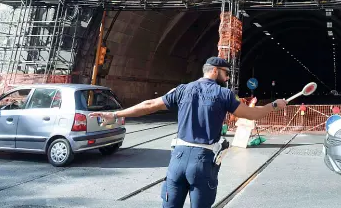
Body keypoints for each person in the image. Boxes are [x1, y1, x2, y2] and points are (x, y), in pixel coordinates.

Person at [89, 56, 288, 208]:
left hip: (177, 159)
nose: (227, 78)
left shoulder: (183, 89)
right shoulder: (224, 94)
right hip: (203, 161)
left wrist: (115, 115)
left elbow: (150, 105)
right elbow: (251, 114)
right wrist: (274, 105)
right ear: (216, 71)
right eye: (226, 73)